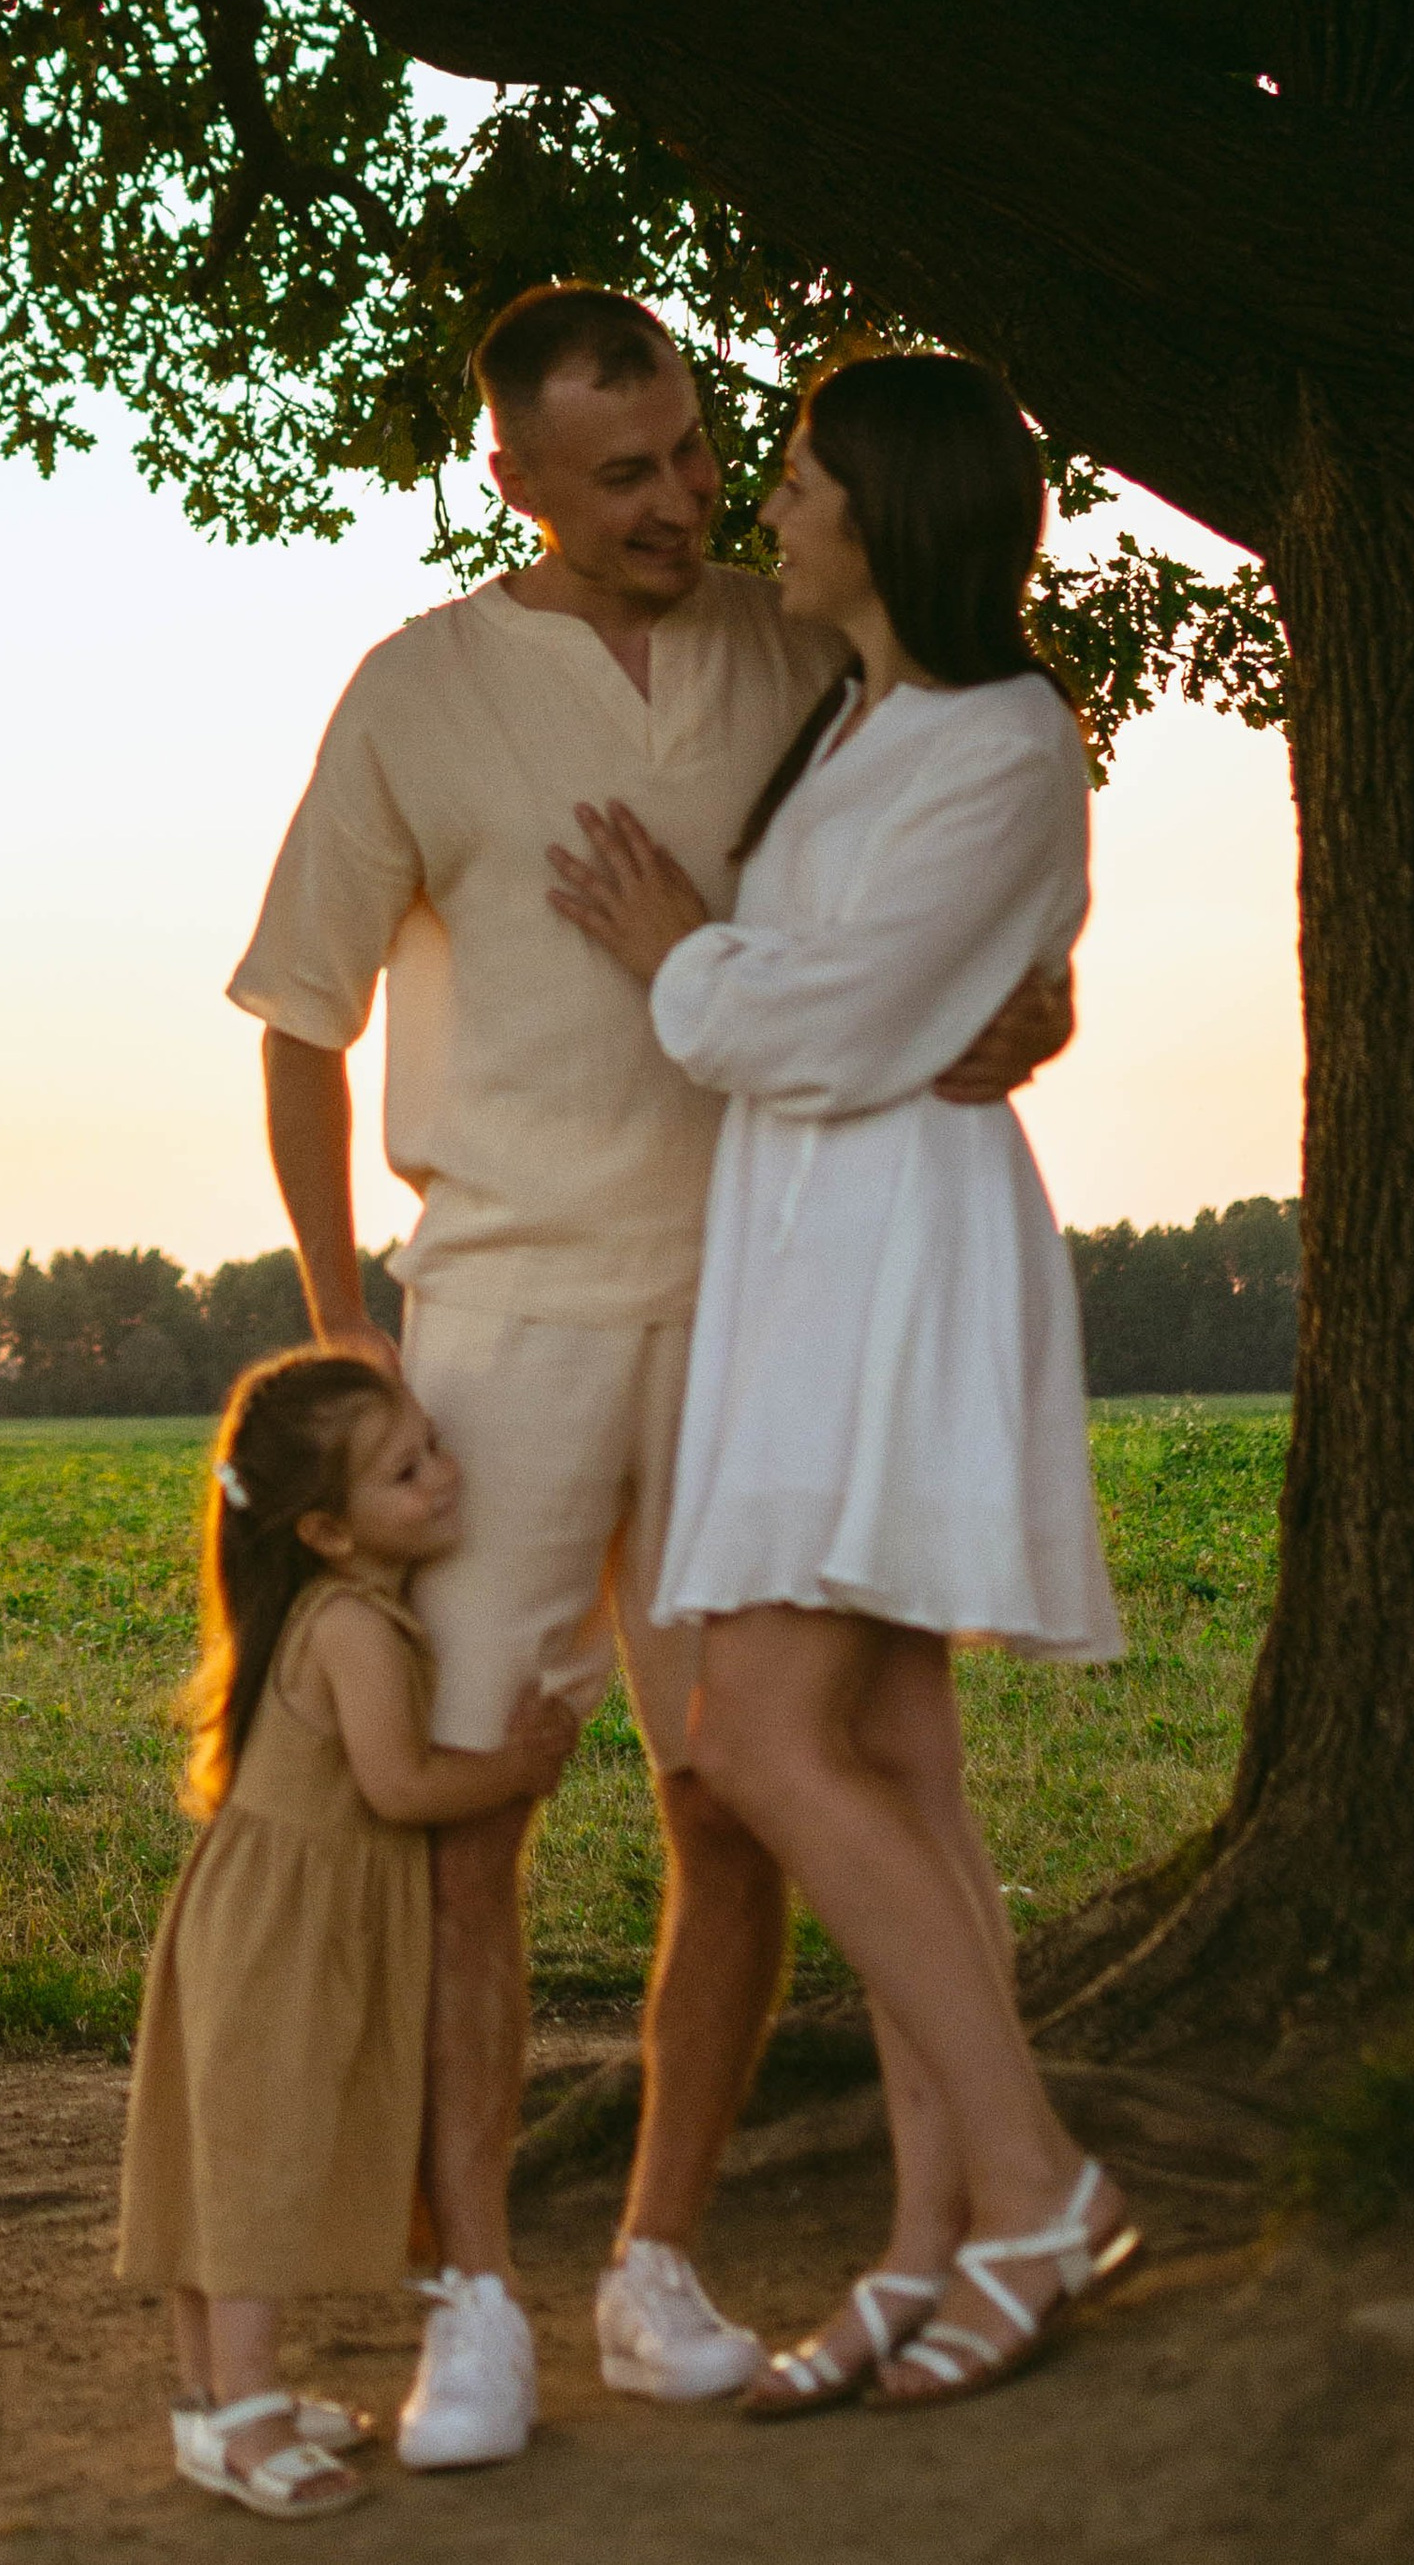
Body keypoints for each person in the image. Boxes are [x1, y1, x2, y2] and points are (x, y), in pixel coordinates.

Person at [227, 288, 1073, 2468]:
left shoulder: (795, 641)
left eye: (699, 455)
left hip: (770, 1307)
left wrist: (1034, 1004)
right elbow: (301, 1018)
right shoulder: (416, 689)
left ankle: (661, 2260)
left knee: (738, 1786)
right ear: (511, 476)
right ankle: (470, 2308)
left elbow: (946, 862)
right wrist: (343, 1319)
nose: (681, 503)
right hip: (501, 1314)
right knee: (475, 1798)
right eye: (624, 476)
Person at [545, 349, 1134, 2417]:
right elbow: (872, 995)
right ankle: (927, 2235)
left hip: (893, 1261)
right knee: (888, 1749)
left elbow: (839, 1025)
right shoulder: (853, 709)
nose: (767, 508)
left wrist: (678, 957)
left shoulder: (1008, 735)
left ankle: (1039, 2184)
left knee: (757, 1737)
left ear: (886, 511)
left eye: (795, 478)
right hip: (797, 1255)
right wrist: (830, 990)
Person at [117, 1349, 578, 2519]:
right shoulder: (354, 1628)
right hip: (287, 1929)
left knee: (220, 2156)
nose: (443, 1475)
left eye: (432, 1447)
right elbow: (399, 1785)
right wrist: (517, 1767)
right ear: (325, 1529)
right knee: (255, 2166)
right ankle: (247, 2408)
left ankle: (205, 2398)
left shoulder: (325, 1610)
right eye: (405, 1470)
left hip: (255, 1914)